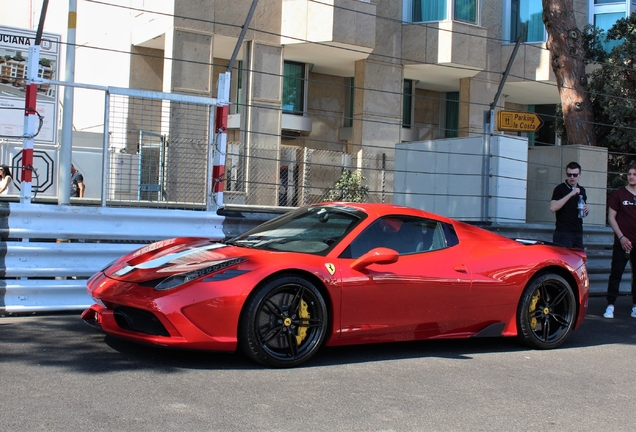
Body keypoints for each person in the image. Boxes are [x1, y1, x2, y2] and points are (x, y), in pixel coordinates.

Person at [603, 162, 636, 319]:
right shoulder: (618, 194)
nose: (631, 177)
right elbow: (611, 217)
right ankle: (610, 305)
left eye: (635, 174)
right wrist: (622, 237)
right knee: (616, 273)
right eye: (630, 174)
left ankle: (635, 306)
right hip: (621, 242)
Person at [549, 161, 588, 248]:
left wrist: (586, 210)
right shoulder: (560, 189)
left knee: (578, 259)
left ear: (580, 175)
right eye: (569, 175)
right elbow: (553, 207)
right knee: (565, 260)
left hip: (578, 231)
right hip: (563, 232)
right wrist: (570, 194)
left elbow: (581, 209)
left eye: (575, 175)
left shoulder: (582, 190)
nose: (572, 177)